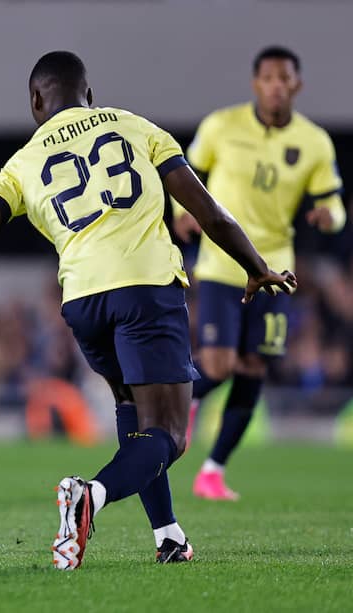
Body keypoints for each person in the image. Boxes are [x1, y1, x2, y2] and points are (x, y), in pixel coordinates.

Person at [0, 51, 295, 569]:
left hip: (83, 301)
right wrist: (255, 265)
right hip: (146, 289)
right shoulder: (135, 127)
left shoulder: (23, 161)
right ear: (89, 95)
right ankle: (92, 496)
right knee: (170, 434)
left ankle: (169, 536)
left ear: (36, 101)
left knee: (133, 412)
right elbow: (209, 212)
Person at [173, 46, 346, 501]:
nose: (275, 85)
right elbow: (183, 175)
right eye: (267, 77)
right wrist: (180, 211)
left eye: (283, 78)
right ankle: (182, 399)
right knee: (220, 364)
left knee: (253, 367)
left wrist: (331, 217)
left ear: (296, 84)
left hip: (276, 270)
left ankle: (212, 471)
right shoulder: (221, 126)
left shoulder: (314, 142)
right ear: (256, 83)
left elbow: (333, 201)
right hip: (222, 263)